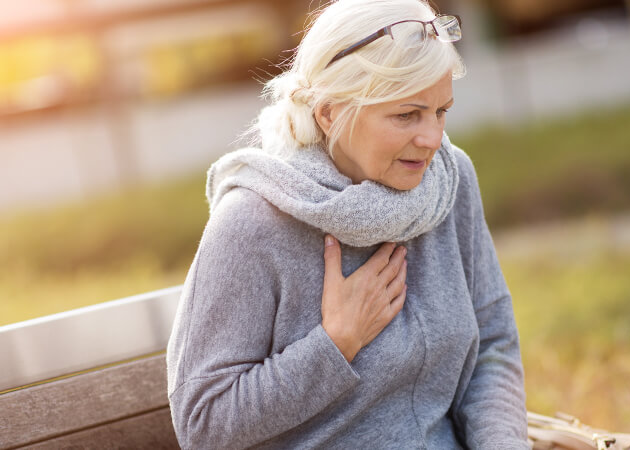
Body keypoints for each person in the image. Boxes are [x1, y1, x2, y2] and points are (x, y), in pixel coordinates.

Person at [166, 0, 528, 448]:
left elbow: (493, 348)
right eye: (405, 115)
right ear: (330, 113)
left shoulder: (449, 181)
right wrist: (336, 342)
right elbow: (203, 425)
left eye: (440, 111)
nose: (433, 139)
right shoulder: (252, 222)